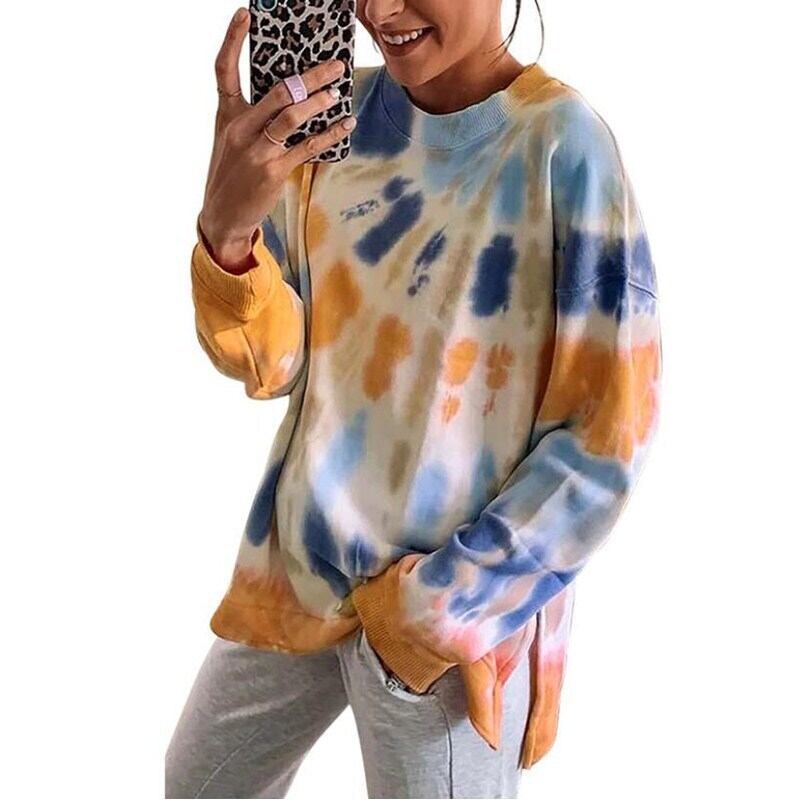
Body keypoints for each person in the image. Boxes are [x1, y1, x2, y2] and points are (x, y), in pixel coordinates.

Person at [166, 1, 662, 797]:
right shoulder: (334, 125)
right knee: (200, 782)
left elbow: (607, 437)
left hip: (448, 622)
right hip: (300, 573)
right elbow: (274, 363)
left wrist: (436, 611)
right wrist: (230, 238)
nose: (378, 10)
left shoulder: (561, 145)